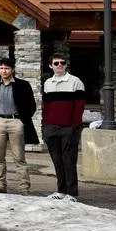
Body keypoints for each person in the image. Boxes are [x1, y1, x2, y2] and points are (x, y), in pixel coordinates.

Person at [0, 57, 39, 194]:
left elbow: (31, 105)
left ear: (12, 69)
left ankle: (23, 187)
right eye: (1, 68)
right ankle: (0, 185)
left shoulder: (23, 85)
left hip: (16, 122)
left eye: (6, 68)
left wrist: (22, 120)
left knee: (19, 157)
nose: (4, 71)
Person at [41, 53, 86, 202]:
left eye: (62, 63)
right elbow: (46, 107)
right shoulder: (48, 83)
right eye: (56, 63)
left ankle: (71, 193)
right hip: (51, 127)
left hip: (69, 128)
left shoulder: (75, 82)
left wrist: (75, 125)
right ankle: (61, 190)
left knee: (69, 160)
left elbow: (79, 106)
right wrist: (45, 125)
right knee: (57, 160)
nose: (59, 65)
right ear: (50, 66)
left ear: (66, 65)